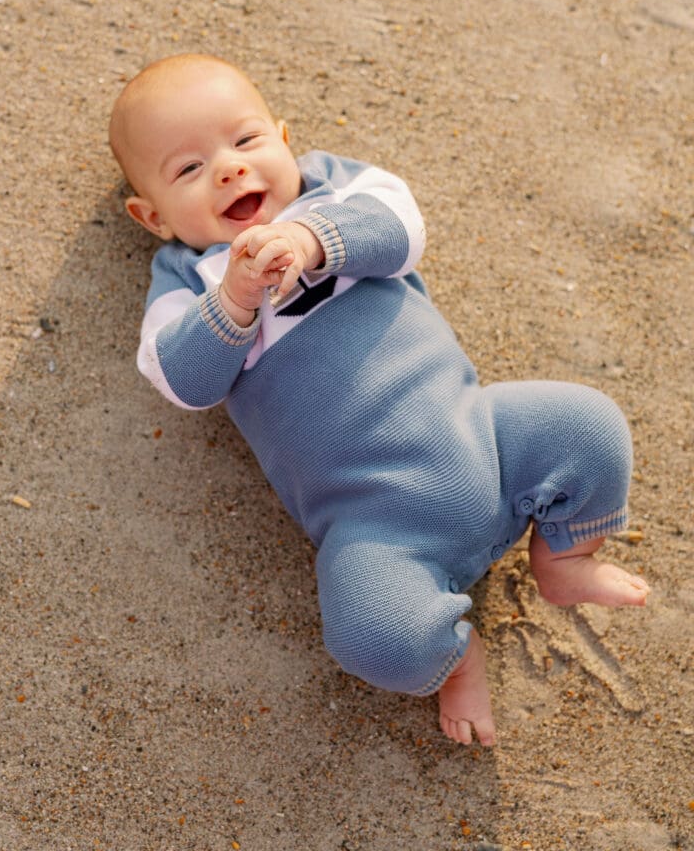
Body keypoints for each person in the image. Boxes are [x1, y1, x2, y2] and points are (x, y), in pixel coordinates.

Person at [109, 53, 649, 747]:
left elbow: (402, 229)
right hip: (373, 524)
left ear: (283, 135)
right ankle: (454, 658)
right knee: (370, 637)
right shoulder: (190, 281)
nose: (229, 169)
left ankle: (564, 559)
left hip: (484, 435)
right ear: (151, 215)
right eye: (188, 170)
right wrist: (235, 299)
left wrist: (312, 240)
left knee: (587, 423)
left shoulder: (331, 191)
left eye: (246, 142)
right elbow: (181, 382)